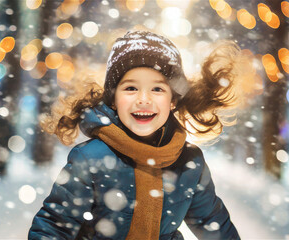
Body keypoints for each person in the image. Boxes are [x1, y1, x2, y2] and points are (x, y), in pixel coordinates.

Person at [29, 30, 242, 240]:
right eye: (131, 88)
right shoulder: (90, 159)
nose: (143, 99)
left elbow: (212, 223)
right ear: (113, 99)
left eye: (157, 89)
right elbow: (55, 225)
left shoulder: (189, 162)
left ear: (173, 100)